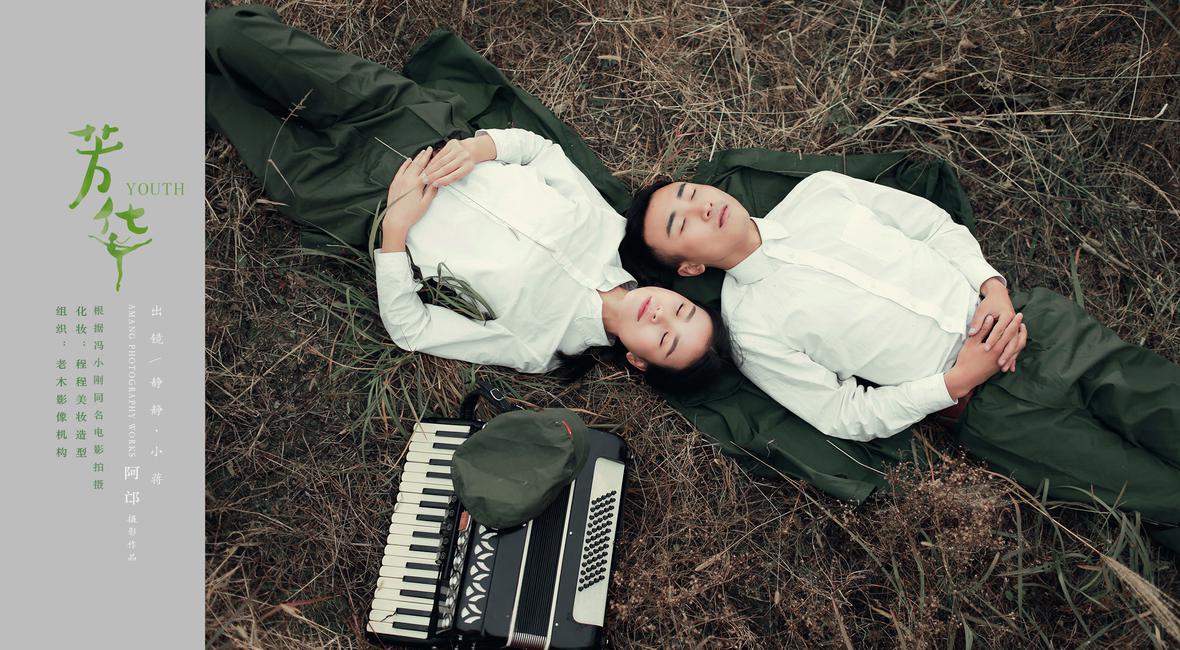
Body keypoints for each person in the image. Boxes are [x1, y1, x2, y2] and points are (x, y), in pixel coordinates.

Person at [623, 170, 1180, 548]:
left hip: (1030, 324)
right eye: (682, 223)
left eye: (690, 192)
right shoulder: (751, 330)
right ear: (690, 269)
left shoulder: (821, 193)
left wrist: (992, 287)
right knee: (1147, 491)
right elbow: (842, 413)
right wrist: (953, 382)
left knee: (1165, 405)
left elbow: (932, 226)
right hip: (990, 406)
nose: (701, 206)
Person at [205, 5, 726, 386]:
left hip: (356, 199)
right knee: (224, 31)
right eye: (681, 311)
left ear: (637, 360)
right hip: (411, 123)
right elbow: (541, 153)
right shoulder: (612, 230)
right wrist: (480, 148)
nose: (661, 316)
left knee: (211, 92)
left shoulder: (538, 348)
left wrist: (395, 231)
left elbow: (412, 330)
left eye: (664, 340)